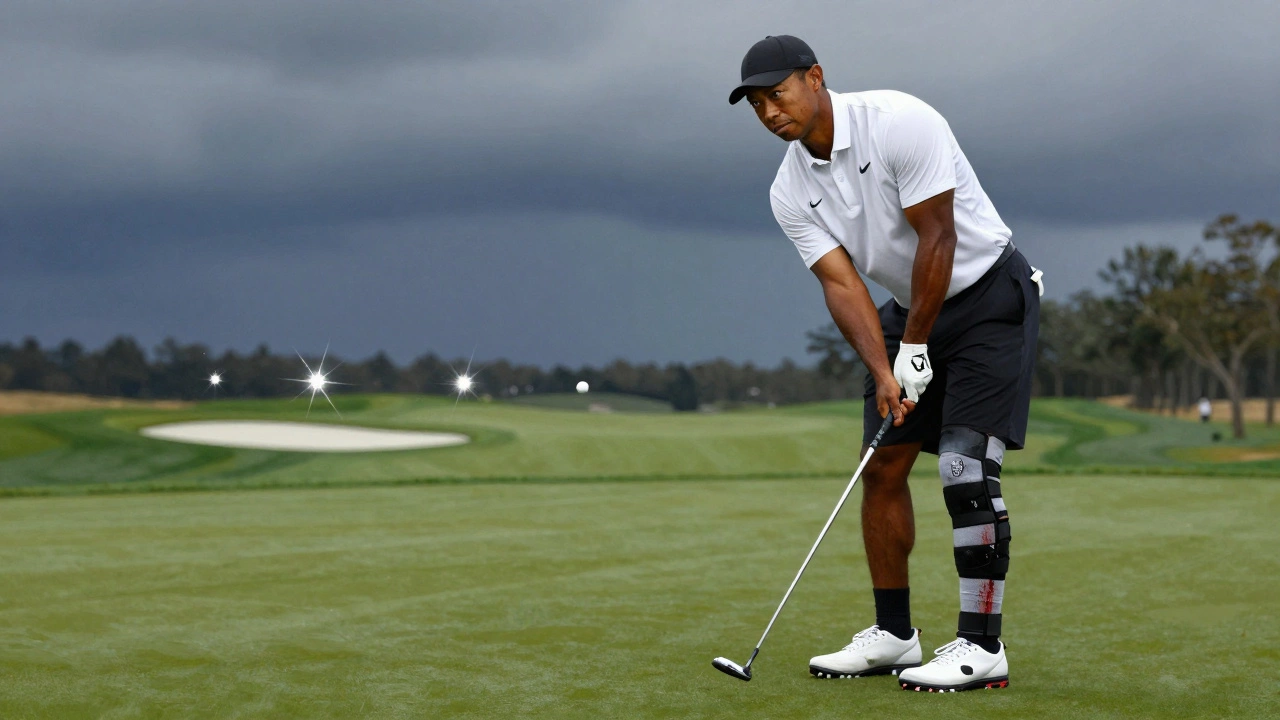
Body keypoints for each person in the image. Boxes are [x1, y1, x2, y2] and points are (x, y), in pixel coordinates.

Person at [730, 35, 1042, 692]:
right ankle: (896, 635)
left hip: (988, 294)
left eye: (776, 94)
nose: (768, 112)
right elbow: (842, 284)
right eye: (755, 103)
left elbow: (940, 235)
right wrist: (884, 369)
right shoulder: (789, 190)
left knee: (963, 465)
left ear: (815, 78)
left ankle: (982, 647)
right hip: (909, 307)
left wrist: (917, 348)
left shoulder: (900, 123)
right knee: (883, 465)